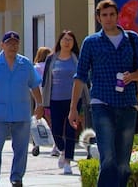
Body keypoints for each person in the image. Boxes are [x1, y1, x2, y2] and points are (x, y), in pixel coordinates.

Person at [70, 0, 138, 187]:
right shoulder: (92, 42)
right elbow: (80, 76)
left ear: (117, 16)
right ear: (98, 18)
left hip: (128, 104)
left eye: (112, 14)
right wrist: (73, 109)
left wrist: (132, 76)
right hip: (102, 103)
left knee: (123, 164)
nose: (109, 18)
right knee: (108, 159)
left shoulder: (132, 39)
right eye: (104, 15)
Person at [0, 31, 44, 187]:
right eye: (9, 43)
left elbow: (34, 85)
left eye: (15, 43)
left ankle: (17, 177)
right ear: (2, 45)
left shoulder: (25, 64)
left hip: (21, 114)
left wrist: (40, 104)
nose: (12, 46)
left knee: (21, 149)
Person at [43, 30, 84, 175]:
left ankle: (68, 161)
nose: (67, 42)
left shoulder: (77, 58)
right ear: (59, 41)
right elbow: (46, 81)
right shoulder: (51, 58)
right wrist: (42, 102)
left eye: (70, 40)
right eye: (64, 39)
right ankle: (61, 149)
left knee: (71, 130)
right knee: (56, 130)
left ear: (73, 43)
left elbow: (84, 79)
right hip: (55, 99)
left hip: (74, 99)